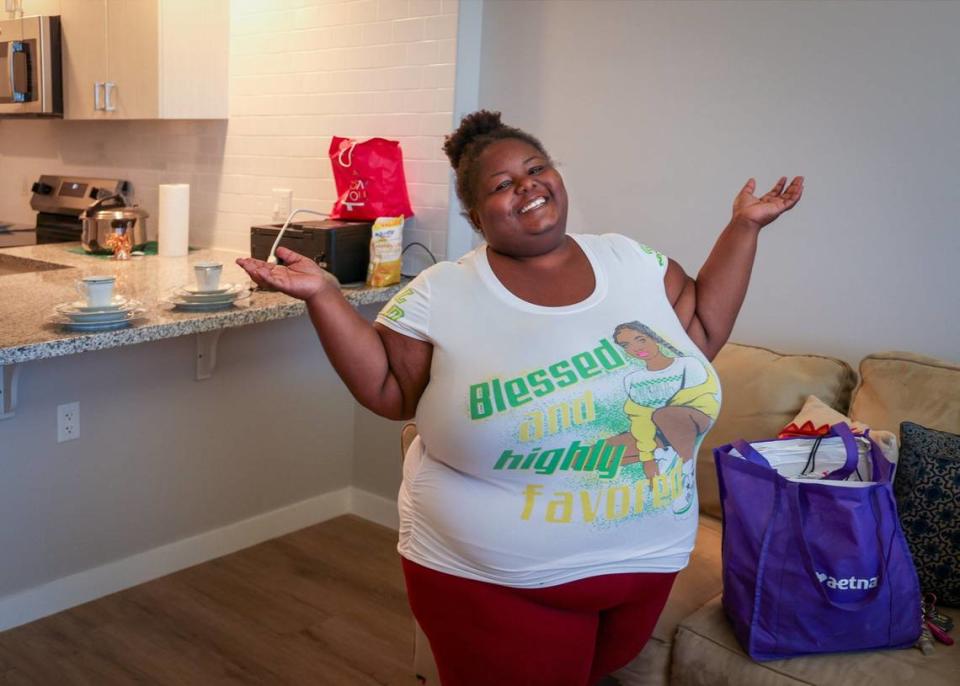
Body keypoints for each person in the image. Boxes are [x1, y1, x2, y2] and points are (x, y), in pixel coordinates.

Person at [236, 110, 803, 686]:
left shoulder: (629, 260)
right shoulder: (444, 291)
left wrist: (744, 229)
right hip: (491, 581)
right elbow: (388, 390)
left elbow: (701, 330)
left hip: (648, 565)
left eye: (536, 169)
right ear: (476, 216)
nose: (527, 185)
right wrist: (323, 296)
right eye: (502, 184)